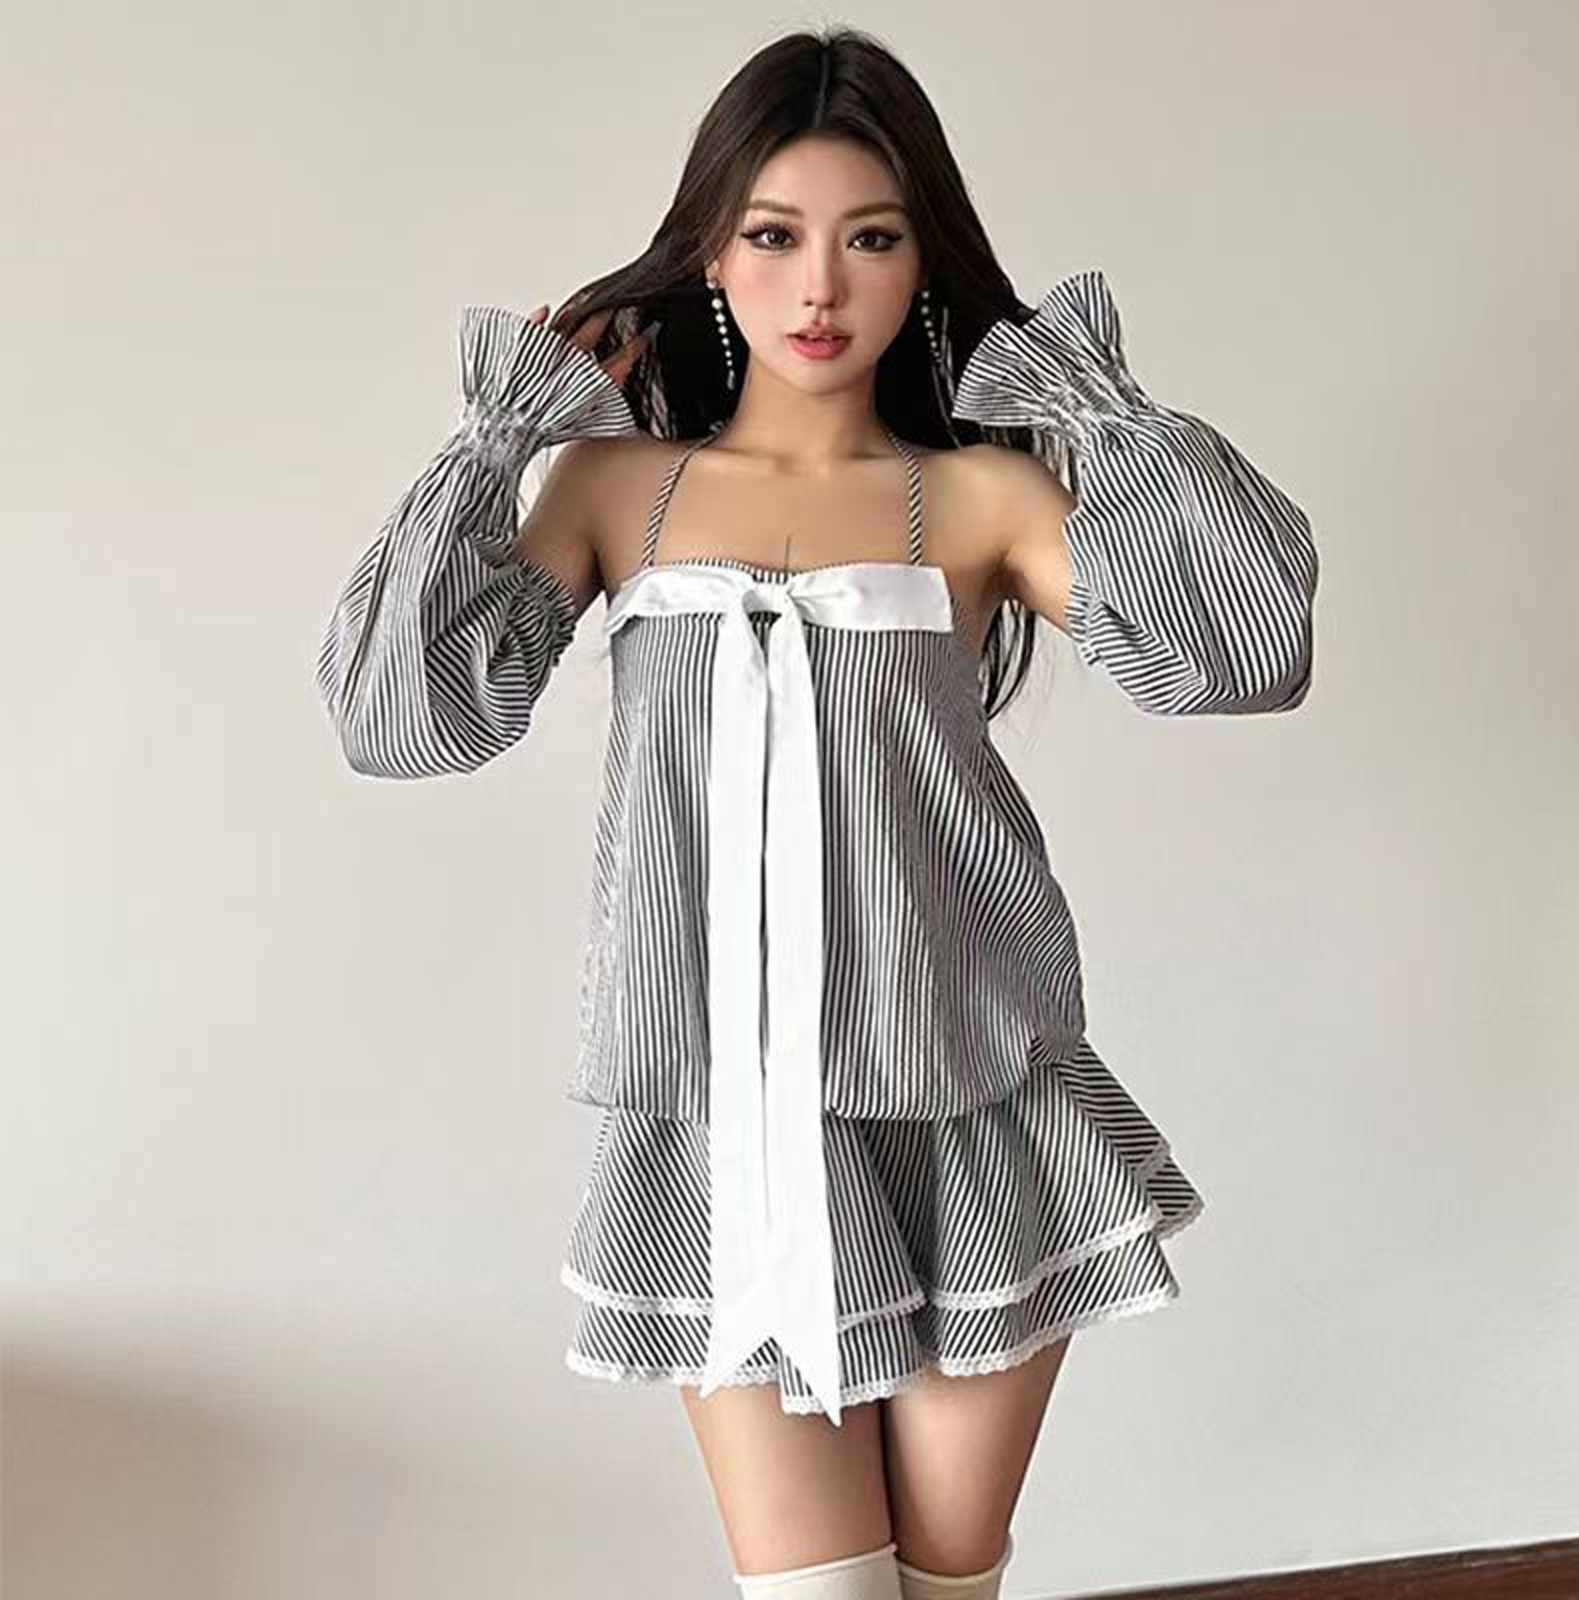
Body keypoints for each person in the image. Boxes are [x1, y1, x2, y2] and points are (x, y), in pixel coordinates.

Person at [315, 25, 1318, 1600]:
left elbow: (1240, 656)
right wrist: (498, 440)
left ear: (923, 261)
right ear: (711, 256)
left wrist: (1105, 414)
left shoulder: (981, 499)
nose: (821, 287)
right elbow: (404, 717)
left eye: (872, 238)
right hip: (720, 1129)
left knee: (945, 1586)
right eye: (775, 236)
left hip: (971, 1110)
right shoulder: (612, 491)